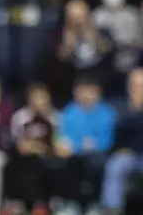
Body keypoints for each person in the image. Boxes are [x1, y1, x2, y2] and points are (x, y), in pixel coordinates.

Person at [102, 68, 143, 215]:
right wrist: (133, 111)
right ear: (128, 87)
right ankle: (113, 210)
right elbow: (118, 130)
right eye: (135, 85)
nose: (139, 89)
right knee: (115, 166)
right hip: (126, 153)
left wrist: (142, 110)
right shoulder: (119, 107)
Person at [56, 78, 114, 212]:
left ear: (98, 92)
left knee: (93, 162)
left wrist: (79, 148)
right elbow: (64, 138)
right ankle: (70, 203)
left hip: (98, 155)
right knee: (61, 162)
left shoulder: (107, 113)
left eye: (90, 91)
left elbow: (106, 142)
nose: (86, 95)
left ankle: (94, 204)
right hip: (74, 157)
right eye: (82, 91)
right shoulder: (69, 112)